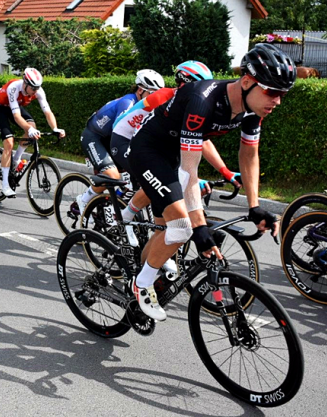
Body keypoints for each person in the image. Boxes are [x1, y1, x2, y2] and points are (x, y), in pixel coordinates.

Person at [126, 44, 295, 321]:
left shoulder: (253, 109)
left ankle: (142, 268)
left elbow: (249, 154)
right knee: (182, 228)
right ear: (247, 81)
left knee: (168, 228)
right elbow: (189, 172)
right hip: (149, 150)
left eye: (282, 94)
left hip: (175, 153)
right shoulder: (203, 100)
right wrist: (199, 225)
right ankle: (141, 284)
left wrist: (255, 206)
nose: (276, 101)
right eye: (272, 91)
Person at [111, 61, 241, 240]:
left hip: (156, 146)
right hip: (124, 140)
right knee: (157, 181)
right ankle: (124, 217)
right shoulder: (164, 97)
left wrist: (225, 171)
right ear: (184, 83)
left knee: (164, 194)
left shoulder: (195, 103)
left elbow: (203, 140)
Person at [76, 69, 165, 220]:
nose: (155, 97)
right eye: (152, 93)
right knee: (112, 175)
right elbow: (120, 131)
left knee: (136, 177)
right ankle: (83, 200)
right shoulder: (128, 102)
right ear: (141, 90)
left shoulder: (147, 106)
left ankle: (115, 205)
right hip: (94, 137)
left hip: (111, 141)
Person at [0, 67, 65, 197]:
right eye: (33, 89)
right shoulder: (14, 88)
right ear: (25, 83)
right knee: (9, 143)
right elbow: (17, 117)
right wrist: (29, 130)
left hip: (14, 106)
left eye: (37, 89)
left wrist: (55, 128)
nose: (35, 92)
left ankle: (16, 159)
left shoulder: (38, 91)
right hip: (1, 107)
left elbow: (48, 112)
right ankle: (4, 185)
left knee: (32, 125)